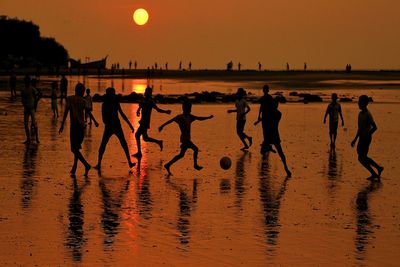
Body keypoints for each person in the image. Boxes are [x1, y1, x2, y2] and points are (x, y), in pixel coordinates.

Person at [159, 100, 213, 175]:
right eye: (189, 108)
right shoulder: (180, 117)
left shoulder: (190, 117)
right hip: (185, 139)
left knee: (181, 155)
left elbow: (199, 118)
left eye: (190, 108)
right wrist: (162, 126)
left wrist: (208, 117)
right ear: (184, 108)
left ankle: (168, 165)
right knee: (196, 149)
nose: (190, 110)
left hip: (187, 139)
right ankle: (195, 165)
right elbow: (171, 121)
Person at [59, 83, 99, 177]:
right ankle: (75, 167)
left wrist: (62, 124)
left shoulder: (70, 99)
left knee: (74, 149)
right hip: (82, 128)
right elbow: (88, 112)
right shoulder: (83, 101)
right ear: (82, 91)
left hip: (74, 127)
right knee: (76, 148)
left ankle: (86, 165)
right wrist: (95, 121)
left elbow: (66, 112)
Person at [94, 88, 136, 171]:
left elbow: (122, 114)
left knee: (122, 143)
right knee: (103, 145)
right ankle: (99, 164)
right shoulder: (106, 104)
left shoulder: (113, 103)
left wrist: (130, 125)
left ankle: (129, 162)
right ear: (109, 94)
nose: (114, 95)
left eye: (113, 94)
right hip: (111, 126)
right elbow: (104, 118)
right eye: (112, 94)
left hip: (115, 126)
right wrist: (108, 123)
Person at [132, 87, 171, 158]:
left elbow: (158, 110)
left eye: (148, 92)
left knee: (137, 135)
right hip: (142, 121)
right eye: (146, 91)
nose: (146, 93)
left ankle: (139, 153)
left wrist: (166, 111)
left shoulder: (151, 102)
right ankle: (159, 142)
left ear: (149, 93)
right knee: (145, 138)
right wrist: (138, 111)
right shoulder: (143, 100)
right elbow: (140, 107)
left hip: (145, 122)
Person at [351, 95, 383, 180]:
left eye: (359, 102)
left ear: (364, 104)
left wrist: (368, 134)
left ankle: (376, 170)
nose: (358, 104)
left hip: (366, 138)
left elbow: (375, 127)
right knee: (361, 157)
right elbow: (359, 129)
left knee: (361, 157)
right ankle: (377, 169)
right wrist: (355, 139)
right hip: (361, 137)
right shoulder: (360, 114)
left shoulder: (368, 114)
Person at [269, 98, 292, 177]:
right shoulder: (270, 112)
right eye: (275, 104)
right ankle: (269, 147)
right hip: (269, 134)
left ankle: (285, 167)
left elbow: (272, 123)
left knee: (280, 152)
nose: (276, 106)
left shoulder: (278, 114)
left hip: (274, 134)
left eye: (277, 104)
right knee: (263, 151)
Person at [254, 84, 275, 154]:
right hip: (264, 117)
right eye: (264, 89)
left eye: (265, 89)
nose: (264, 90)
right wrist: (259, 116)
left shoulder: (269, 98)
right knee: (265, 132)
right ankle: (267, 145)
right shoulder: (264, 98)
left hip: (268, 117)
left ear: (267, 90)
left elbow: (273, 107)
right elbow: (261, 107)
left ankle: (267, 145)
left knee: (267, 132)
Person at [21, 75, 39, 144]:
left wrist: (35, 104)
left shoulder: (32, 89)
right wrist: (24, 104)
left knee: (34, 123)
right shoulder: (23, 90)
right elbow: (22, 99)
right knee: (26, 124)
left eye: (28, 81)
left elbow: (38, 95)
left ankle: (37, 138)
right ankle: (28, 139)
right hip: (26, 109)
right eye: (26, 82)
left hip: (31, 109)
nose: (27, 83)